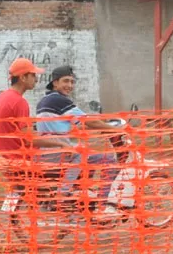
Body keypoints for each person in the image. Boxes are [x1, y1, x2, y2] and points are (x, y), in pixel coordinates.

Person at [0, 58, 72, 206]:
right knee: (70, 165)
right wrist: (60, 143)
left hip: (7, 157)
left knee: (18, 193)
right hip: (22, 160)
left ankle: (15, 225)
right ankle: (61, 205)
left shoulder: (3, 97)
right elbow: (29, 138)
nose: (36, 79)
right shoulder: (19, 102)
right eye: (33, 75)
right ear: (23, 77)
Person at [34, 65, 120, 199]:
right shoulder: (59, 100)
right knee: (108, 160)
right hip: (58, 154)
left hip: (47, 153)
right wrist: (116, 129)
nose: (69, 85)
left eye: (72, 82)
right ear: (55, 83)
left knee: (86, 153)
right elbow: (89, 121)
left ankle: (79, 193)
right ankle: (102, 202)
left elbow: (80, 124)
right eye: (66, 81)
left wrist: (100, 128)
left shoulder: (44, 100)